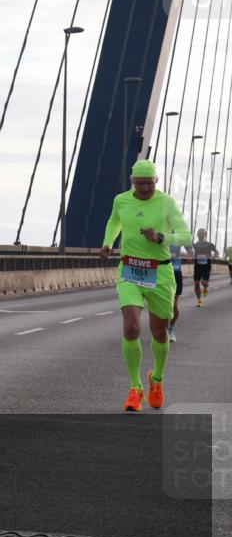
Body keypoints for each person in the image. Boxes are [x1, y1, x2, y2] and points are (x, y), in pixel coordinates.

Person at [100, 159, 191, 412]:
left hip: (160, 272)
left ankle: (157, 380)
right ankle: (135, 388)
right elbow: (114, 221)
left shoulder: (166, 202)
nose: (144, 188)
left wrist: (162, 237)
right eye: (139, 184)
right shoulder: (121, 200)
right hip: (129, 269)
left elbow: (186, 236)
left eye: (149, 183)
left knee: (160, 332)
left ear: (156, 181)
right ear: (132, 182)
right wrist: (107, 243)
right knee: (131, 326)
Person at [167, 242, 194, 342]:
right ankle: (161, 328)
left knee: (174, 305)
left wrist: (190, 253)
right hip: (159, 272)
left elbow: (191, 250)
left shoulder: (179, 235)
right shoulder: (157, 233)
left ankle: (170, 329)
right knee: (160, 305)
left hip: (175, 271)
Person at [191, 228, 219, 306]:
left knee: (204, 283)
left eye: (203, 233)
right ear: (197, 235)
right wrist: (191, 256)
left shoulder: (209, 244)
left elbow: (216, 252)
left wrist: (213, 257)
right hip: (197, 266)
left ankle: (205, 287)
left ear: (205, 235)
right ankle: (199, 300)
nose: (201, 235)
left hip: (206, 266)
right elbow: (191, 253)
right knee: (196, 284)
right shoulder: (194, 245)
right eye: (200, 233)